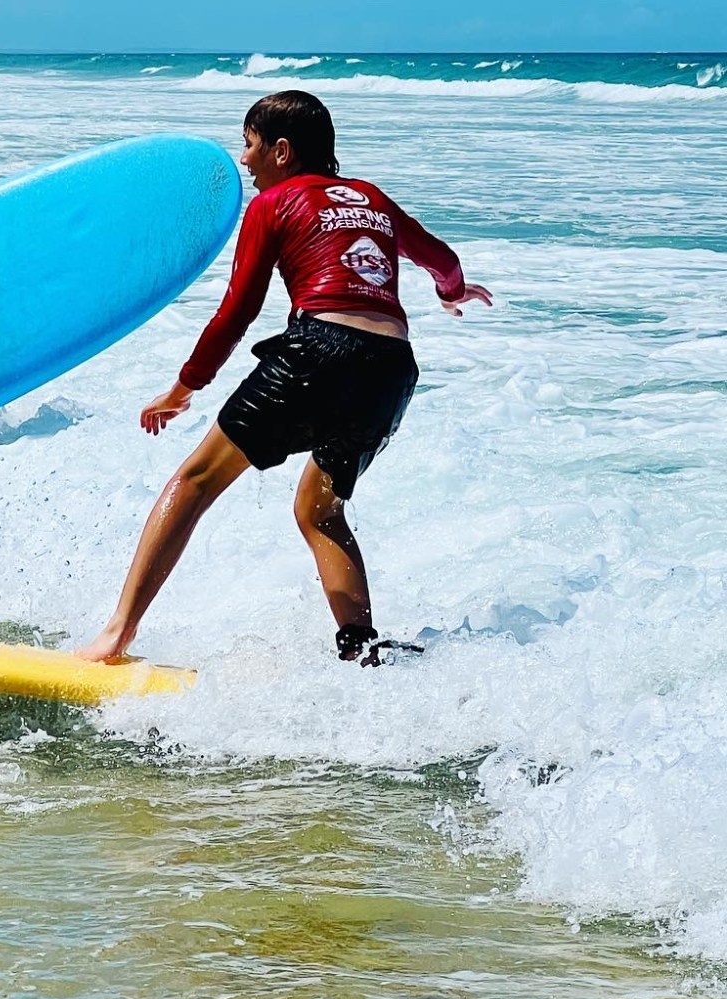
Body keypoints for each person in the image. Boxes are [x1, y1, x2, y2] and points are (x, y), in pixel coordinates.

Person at [78, 90, 491, 667]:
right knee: (319, 511)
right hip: (392, 370)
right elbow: (440, 259)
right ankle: (362, 651)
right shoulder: (371, 197)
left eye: (249, 145)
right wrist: (452, 294)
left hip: (321, 352)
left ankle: (115, 635)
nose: (243, 160)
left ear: (282, 150)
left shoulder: (274, 203)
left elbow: (237, 310)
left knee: (196, 482)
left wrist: (185, 387)